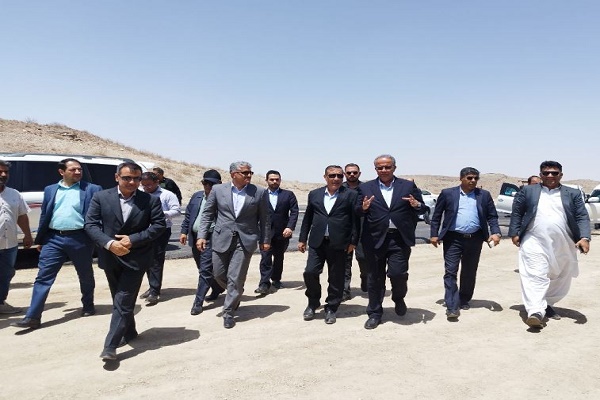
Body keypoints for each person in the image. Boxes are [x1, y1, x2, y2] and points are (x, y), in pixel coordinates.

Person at [85, 162, 166, 361]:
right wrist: (109, 243)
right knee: (119, 299)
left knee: (123, 299)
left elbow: (158, 226)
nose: (132, 182)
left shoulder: (150, 200)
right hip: (110, 257)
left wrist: (133, 239)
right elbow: (91, 224)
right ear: (117, 177)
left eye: (136, 179)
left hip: (136, 258)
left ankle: (110, 346)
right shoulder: (101, 197)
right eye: (127, 178)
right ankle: (130, 332)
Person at [11, 159, 102, 329]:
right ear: (62, 172)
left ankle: (88, 305)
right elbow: (45, 214)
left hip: (80, 239)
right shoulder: (51, 189)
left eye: (79, 169)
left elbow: (99, 214)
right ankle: (32, 317)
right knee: (43, 277)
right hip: (53, 239)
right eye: (73, 169)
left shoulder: (92, 189)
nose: (78, 172)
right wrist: (41, 239)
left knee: (85, 275)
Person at [508, 161, 591, 329]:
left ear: (561, 175)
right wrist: (514, 232)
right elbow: (517, 212)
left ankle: (545, 303)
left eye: (554, 173)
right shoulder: (528, 191)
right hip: (534, 240)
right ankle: (535, 312)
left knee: (560, 275)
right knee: (535, 274)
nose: (550, 176)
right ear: (541, 175)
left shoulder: (572, 193)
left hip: (564, 242)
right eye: (546, 173)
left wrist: (585, 237)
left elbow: (582, 216)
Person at [196, 161, 270, 329]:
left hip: (245, 240)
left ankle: (228, 312)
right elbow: (207, 214)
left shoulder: (259, 192)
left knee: (235, 277)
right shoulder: (218, 190)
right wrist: (202, 236)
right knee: (218, 274)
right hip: (221, 238)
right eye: (245, 173)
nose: (249, 176)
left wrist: (265, 240)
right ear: (233, 174)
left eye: (250, 173)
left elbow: (265, 219)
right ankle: (235, 292)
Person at [357, 154, 426, 330]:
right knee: (374, 278)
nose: (384, 170)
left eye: (387, 167)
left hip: (399, 239)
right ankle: (374, 313)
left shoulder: (407, 186)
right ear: (375, 169)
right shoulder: (365, 187)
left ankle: (398, 297)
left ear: (394, 168)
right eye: (380, 167)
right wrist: (363, 208)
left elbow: (423, 208)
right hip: (374, 239)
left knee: (398, 274)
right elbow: (355, 211)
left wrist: (416, 205)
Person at [429, 167, 502, 320]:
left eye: (476, 178)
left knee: (469, 271)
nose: (473, 181)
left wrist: (495, 232)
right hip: (453, 238)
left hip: (475, 238)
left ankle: (464, 299)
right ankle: (452, 306)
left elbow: (492, 216)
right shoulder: (448, 194)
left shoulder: (484, 195)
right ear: (461, 178)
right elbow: (437, 215)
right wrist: (434, 234)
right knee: (450, 271)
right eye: (469, 178)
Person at [298, 165, 359, 325]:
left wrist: (353, 242)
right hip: (317, 242)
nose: (336, 179)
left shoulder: (351, 195)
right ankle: (313, 302)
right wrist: (302, 239)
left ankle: (331, 307)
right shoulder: (315, 194)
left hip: (339, 243)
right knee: (310, 272)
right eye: (332, 176)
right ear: (325, 177)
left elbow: (356, 221)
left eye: (339, 176)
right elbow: (308, 218)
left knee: (336, 277)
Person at [180, 169, 224, 315]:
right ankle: (217, 288)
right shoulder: (197, 196)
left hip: (211, 238)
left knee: (205, 270)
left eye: (212, 184)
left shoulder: (222, 199)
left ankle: (198, 303)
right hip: (195, 237)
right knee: (202, 268)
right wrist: (184, 231)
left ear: (219, 184)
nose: (208, 186)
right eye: (205, 183)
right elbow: (188, 215)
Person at [138, 172, 180, 305]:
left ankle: (155, 291)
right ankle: (151, 286)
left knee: (156, 259)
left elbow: (177, 211)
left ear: (157, 182)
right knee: (146, 259)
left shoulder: (167, 195)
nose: (146, 188)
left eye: (149, 185)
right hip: (144, 230)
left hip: (161, 230)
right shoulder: (140, 193)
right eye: (143, 185)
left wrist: (160, 213)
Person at [255, 170, 299, 294]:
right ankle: (264, 284)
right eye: (272, 179)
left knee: (279, 257)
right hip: (265, 233)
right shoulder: (260, 195)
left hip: (282, 232)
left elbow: (294, 211)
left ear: (280, 180)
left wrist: (290, 227)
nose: (274, 181)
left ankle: (276, 279)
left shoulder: (288, 195)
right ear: (266, 180)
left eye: (277, 179)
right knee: (265, 258)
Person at [0, 161, 33, 314]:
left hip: (10, 244)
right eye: (0, 171)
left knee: (6, 274)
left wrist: (27, 235)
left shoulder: (14, 194)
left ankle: (1, 303)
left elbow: (21, 216)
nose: (3, 175)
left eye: (6, 172)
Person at [342, 163, 368, 300]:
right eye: (349, 172)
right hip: (346, 230)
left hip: (364, 229)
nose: (352, 174)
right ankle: (345, 290)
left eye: (354, 172)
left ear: (359, 173)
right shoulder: (340, 189)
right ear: (345, 174)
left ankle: (365, 277)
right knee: (344, 262)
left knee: (363, 258)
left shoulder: (366, 189)